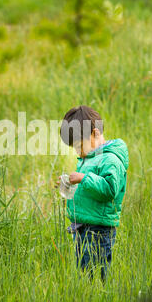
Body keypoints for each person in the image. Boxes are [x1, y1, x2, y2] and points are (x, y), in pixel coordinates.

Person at [57, 105, 129, 282]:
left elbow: (109, 190)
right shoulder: (89, 157)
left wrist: (83, 178)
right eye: (74, 148)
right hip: (82, 225)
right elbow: (89, 188)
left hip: (99, 228)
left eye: (80, 145)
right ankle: (87, 299)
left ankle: (101, 298)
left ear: (96, 134)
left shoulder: (111, 159)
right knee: (84, 271)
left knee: (97, 273)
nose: (77, 151)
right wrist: (69, 185)